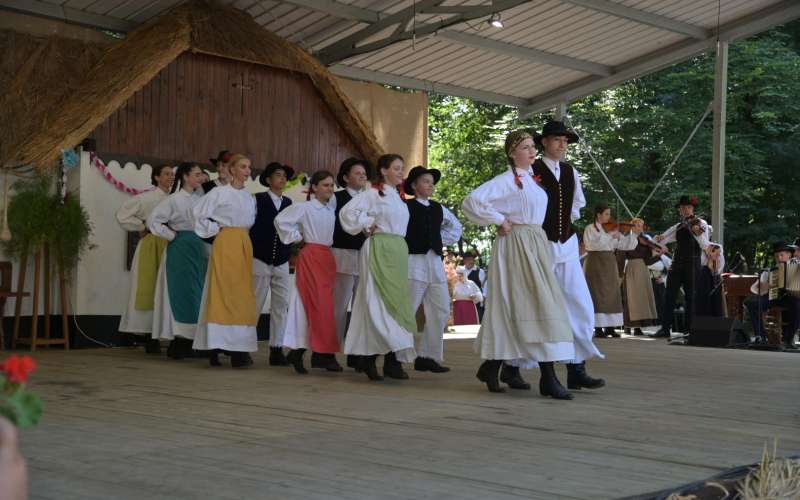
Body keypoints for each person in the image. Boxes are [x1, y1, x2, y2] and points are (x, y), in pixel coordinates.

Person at [463, 130, 577, 399]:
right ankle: (548, 378)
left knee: (524, 304)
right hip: (517, 246)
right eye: (525, 148)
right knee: (536, 302)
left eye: (531, 147)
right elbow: (472, 202)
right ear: (512, 153)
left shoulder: (531, 180)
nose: (531, 151)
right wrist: (499, 220)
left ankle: (492, 366)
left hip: (534, 243)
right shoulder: (506, 180)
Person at [531, 121, 605, 391]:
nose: (562, 145)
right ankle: (512, 365)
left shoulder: (571, 171)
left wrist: (569, 232)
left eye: (565, 141)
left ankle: (577, 367)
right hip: (542, 244)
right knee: (540, 306)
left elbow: (576, 206)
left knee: (580, 305)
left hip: (567, 244)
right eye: (557, 140)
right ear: (544, 142)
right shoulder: (531, 171)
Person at [338, 154, 417, 381]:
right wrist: (365, 224)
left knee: (397, 303)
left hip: (397, 251)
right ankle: (370, 358)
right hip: (379, 249)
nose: (401, 173)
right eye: (396, 168)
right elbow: (347, 213)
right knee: (376, 301)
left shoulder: (398, 198)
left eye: (402, 168)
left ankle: (392, 361)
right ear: (383, 171)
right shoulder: (373, 193)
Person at [192, 154, 258, 368]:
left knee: (242, 295)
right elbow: (198, 214)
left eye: (248, 167)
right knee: (222, 291)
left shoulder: (249, 197)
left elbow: (249, 222)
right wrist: (214, 229)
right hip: (226, 242)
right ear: (231, 170)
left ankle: (239, 348)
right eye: (242, 167)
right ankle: (216, 345)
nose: (247, 171)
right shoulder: (219, 193)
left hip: (243, 243)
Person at [275, 170, 342, 373]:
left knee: (324, 306)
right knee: (308, 303)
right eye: (325, 185)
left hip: (326, 258)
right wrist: (298, 237)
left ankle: (317, 353)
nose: (329, 189)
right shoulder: (305, 208)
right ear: (314, 187)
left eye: (331, 185)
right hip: (312, 255)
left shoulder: (331, 208)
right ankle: (299, 351)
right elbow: (280, 221)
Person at [403, 166, 463, 373]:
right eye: (426, 181)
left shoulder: (438, 208)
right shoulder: (405, 206)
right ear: (414, 185)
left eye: (431, 181)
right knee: (407, 308)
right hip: (413, 262)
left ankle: (428, 356)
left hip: (434, 263)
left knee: (441, 309)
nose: (431, 185)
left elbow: (455, 228)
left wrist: (436, 240)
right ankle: (398, 356)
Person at [148, 162, 207, 359]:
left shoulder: (201, 199)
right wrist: (172, 235)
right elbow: (153, 220)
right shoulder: (174, 199)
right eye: (197, 175)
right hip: (180, 248)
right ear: (185, 177)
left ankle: (191, 340)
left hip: (198, 247)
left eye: (201, 175)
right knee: (181, 291)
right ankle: (180, 340)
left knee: (197, 290)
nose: (200, 178)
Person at [116, 164, 174, 352]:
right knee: (148, 286)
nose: (170, 177)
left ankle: (164, 332)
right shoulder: (146, 198)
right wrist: (141, 226)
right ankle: (148, 335)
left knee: (167, 288)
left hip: (170, 244)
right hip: (151, 245)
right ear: (156, 177)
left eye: (172, 174)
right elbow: (122, 215)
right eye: (166, 174)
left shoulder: (175, 199)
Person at [250, 162, 294, 366]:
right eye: (278, 175)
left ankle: (277, 348)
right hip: (259, 258)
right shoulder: (257, 200)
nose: (282, 179)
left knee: (281, 305)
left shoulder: (289, 202)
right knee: (255, 303)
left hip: (282, 260)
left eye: (285, 176)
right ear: (268, 179)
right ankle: (245, 346)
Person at [331, 158, 371, 370]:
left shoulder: (370, 199)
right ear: (346, 177)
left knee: (360, 305)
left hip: (364, 254)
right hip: (342, 252)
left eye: (364, 173)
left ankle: (357, 352)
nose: (362, 176)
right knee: (339, 305)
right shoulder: (337, 198)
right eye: (357, 173)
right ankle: (330, 351)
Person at [651, 195, 711, 338]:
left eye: (688, 207)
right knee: (669, 295)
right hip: (677, 263)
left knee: (691, 297)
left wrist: (696, 232)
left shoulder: (701, 223)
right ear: (680, 210)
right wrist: (659, 239)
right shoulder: (678, 226)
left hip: (692, 263)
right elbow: (662, 240)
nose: (685, 210)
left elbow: (705, 244)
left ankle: (689, 329)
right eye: (683, 208)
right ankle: (665, 328)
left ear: (692, 209)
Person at [582, 204, 639, 338]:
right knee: (596, 294)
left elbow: (626, 245)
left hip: (609, 262)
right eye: (606, 214)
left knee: (611, 294)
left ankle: (610, 327)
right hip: (595, 262)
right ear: (598, 215)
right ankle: (597, 327)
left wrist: (633, 233)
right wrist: (610, 236)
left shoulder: (612, 228)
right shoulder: (590, 228)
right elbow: (591, 245)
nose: (609, 217)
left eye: (609, 214)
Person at [745, 241, 799, 349]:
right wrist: (765, 286)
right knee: (752, 303)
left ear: (789, 254)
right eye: (776, 256)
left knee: (798, 306)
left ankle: (788, 339)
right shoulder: (771, 270)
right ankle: (761, 337)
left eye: (781, 255)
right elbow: (754, 288)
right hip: (774, 296)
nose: (779, 258)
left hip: (793, 298)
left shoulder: (797, 267)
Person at [619, 219, 663, 335]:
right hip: (632, 267)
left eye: (641, 226)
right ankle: (630, 326)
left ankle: (639, 326)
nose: (640, 228)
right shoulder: (627, 238)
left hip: (643, 269)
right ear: (632, 226)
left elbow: (648, 261)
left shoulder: (645, 240)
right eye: (637, 225)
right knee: (632, 298)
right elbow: (623, 254)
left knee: (642, 298)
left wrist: (659, 254)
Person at [460, 252, 486, 320]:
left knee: (477, 321)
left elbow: (484, 286)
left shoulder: (480, 271)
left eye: (472, 259)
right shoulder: (460, 270)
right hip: (463, 302)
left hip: (476, 302)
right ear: (464, 260)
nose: (470, 261)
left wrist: (483, 298)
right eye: (468, 259)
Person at [649, 252, 672, 327]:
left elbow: (671, 270)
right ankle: (653, 321)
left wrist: (663, 279)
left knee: (661, 302)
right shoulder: (648, 256)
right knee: (652, 302)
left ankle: (662, 322)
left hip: (661, 283)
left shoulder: (666, 256)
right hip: (650, 281)